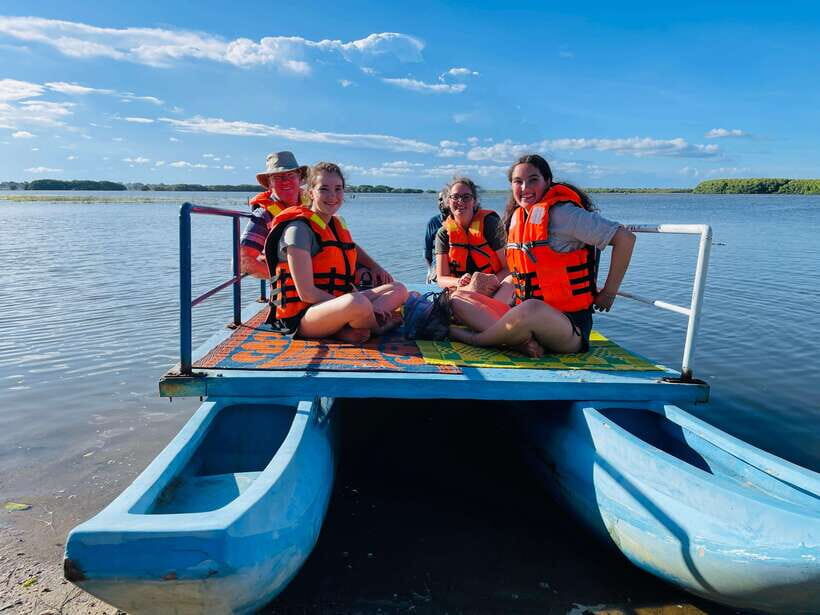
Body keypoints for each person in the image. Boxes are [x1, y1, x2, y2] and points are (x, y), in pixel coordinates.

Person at [448, 154, 635, 357]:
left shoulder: (564, 214)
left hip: (568, 328)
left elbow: (625, 239)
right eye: (518, 181)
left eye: (533, 180)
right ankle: (517, 341)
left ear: (547, 181)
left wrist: (609, 293)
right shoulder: (517, 218)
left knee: (532, 309)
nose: (524, 187)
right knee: (458, 298)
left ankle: (477, 339)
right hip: (523, 315)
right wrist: (498, 283)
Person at [263, 162, 408, 343]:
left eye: (338, 189)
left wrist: (376, 267)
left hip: (338, 303)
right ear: (310, 193)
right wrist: (362, 305)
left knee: (399, 289)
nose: (332, 196)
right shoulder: (298, 230)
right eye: (324, 189)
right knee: (358, 303)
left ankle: (350, 326)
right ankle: (376, 326)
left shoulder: (335, 225)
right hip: (303, 316)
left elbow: (350, 248)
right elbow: (306, 293)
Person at [434, 177, 513, 302]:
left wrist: (487, 283)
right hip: (464, 290)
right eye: (455, 197)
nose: (460, 201)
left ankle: (492, 310)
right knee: (454, 296)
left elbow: (508, 268)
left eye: (466, 197)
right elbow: (441, 278)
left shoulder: (490, 224)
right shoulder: (443, 234)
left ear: (474, 201)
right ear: (448, 202)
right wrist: (460, 281)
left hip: (495, 288)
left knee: (512, 281)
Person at [240, 151, 308, 279]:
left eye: (290, 175)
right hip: (295, 293)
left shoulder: (314, 206)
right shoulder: (264, 215)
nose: (285, 181)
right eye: (277, 177)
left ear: (299, 178)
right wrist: (289, 280)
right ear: (269, 183)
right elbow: (242, 261)